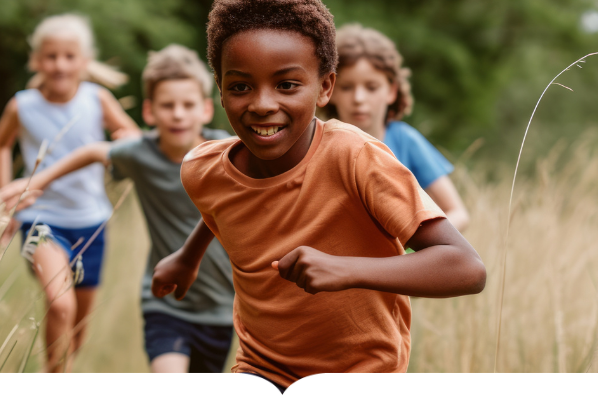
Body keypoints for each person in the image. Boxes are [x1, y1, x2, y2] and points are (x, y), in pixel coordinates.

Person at [151, 0, 487, 391]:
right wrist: (187, 257)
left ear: (325, 87)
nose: (262, 104)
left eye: (287, 85)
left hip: (361, 376)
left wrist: (345, 269)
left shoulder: (356, 157)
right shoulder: (201, 169)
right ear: (221, 91)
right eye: (241, 86)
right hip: (260, 369)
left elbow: (466, 268)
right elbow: (221, 204)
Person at [0, 44, 236, 373]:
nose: (178, 114)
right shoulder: (141, 154)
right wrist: (37, 181)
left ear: (206, 110)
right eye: (168, 106)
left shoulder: (227, 154)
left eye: (188, 105)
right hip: (164, 304)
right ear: (150, 112)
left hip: (223, 308)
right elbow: (95, 151)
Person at [0, 14, 140, 373]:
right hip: (40, 221)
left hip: (93, 223)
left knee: (78, 332)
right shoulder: (22, 105)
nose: (59, 64)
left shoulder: (97, 99)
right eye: (51, 56)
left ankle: (54, 377)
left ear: (84, 62)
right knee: (60, 306)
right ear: (37, 61)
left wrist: (118, 142)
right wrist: (9, 203)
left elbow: (130, 135)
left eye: (69, 56)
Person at [324, 24, 470, 231]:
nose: (358, 98)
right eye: (347, 87)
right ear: (330, 90)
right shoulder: (318, 143)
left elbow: (458, 213)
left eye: (371, 87)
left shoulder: (405, 140)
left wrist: (411, 254)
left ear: (391, 91)